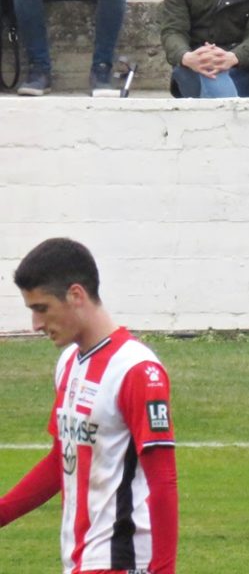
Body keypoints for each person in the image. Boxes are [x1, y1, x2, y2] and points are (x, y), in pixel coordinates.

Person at [0, 238, 178, 573]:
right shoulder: (69, 363)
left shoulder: (136, 369)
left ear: (76, 295)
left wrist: (164, 570)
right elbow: (61, 461)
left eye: (42, 308)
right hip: (80, 558)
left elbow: (163, 479)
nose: (36, 324)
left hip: (123, 558)